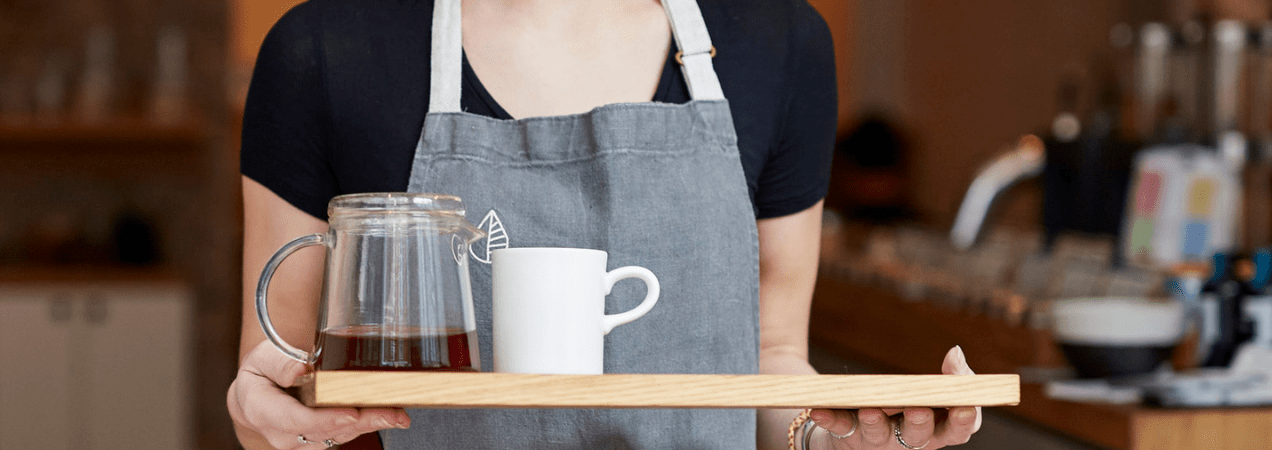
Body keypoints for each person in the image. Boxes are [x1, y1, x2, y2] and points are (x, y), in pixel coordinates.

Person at [232, 1, 982, 449]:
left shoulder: (781, 42)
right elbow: (279, 394)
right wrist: (262, 414)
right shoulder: (322, 51)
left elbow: (772, 357)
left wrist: (830, 436)